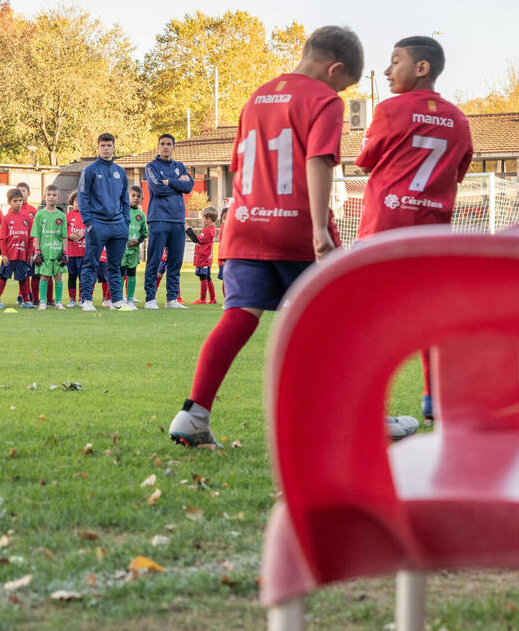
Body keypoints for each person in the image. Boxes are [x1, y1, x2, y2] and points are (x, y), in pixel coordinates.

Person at [167, 26, 417, 447]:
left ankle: (193, 414)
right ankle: (364, 419)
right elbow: (319, 160)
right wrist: (319, 230)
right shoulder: (324, 101)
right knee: (348, 320)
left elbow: (239, 167)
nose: (339, 92)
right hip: (294, 224)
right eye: (342, 84)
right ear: (335, 69)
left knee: (238, 317)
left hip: (245, 223)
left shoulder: (257, 96)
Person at [355, 35, 474, 423]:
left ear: (421, 68)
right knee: (430, 317)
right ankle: (433, 397)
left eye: (395, 62)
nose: (387, 71)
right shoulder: (459, 119)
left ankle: (368, 404)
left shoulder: (390, 109)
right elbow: (456, 174)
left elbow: (365, 160)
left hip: (384, 227)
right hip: (432, 234)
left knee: (368, 318)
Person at [79, 134, 132, 312]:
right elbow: (83, 197)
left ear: (114, 147)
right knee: (91, 263)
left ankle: (116, 301)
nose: (106, 148)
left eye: (109, 145)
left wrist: (126, 222)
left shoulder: (120, 172)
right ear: (98, 148)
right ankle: (86, 300)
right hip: (97, 224)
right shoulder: (90, 170)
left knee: (115, 266)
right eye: (103, 145)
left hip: (118, 226)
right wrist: (88, 223)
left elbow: (125, 200)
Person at [143, 134, 194, 310]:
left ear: (173, 147)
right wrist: (178, 184)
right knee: (154, 260)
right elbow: (157, 188)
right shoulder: (151, 166)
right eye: (163, 144)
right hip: (158, 218)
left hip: (178, 220)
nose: (166, 147)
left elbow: (189, 186)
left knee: (175, 261)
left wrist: (170, 182)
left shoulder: (180, 166)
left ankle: (171, 299)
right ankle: (150, 299)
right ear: (158, 146)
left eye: (169, 144)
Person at [0, 188, 36, 308]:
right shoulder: (6, 218)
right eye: (15, 201)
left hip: (22, 255)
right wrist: (4, 254)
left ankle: (26, 301)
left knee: (23, 278)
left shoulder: (27, 218)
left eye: (20, 200)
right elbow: (2, 238)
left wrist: (30, 254)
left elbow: (30, 238)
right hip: (9, 255)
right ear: (9, 202)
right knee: (3, 276)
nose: (18, 203)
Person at [32, 184, 66, 310]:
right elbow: (36, 234)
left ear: (58, 198)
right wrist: (37, 251)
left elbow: (64, 236)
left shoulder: (61, 216)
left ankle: (59, 302)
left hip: (57, 252)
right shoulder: (40, 214)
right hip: (44, 251)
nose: (51, 197)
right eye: (49, 195)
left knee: (58, 277)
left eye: (54, 195)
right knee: (44, 276)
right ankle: (42, 302)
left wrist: (65, 252)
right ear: (44, 196)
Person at [124, 185, 150, 307]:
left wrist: (138, 241)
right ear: (127, 196)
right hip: (122, 249)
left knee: (131, 273)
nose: (135, 198)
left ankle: (130, 299)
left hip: (134, 250)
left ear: (141, 199)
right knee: (119, 273)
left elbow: (144, 234)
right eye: (133, 195)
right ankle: (119, 297)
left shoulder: (141, 215)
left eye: (138, 196)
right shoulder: (122, 211)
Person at [186, 207, 219, 304]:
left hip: (204, 257)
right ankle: (212, 298)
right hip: (206, 257)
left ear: (208, 219)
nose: (202, 220)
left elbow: (196, 239)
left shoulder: (208, 231)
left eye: (203, 218)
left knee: (203, 277)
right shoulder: (209, 229)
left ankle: (202, 299)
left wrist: (188, 230)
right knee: (207, 277)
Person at [65, 196, 87, 310]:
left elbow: (92, 229)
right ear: (72, 202)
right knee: (72, 276)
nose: (78, 203)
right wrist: (70, 236)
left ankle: (81, 298)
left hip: (83, 251)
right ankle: (72, 299)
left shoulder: (87, 216)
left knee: (82, 276)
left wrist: (84, 233)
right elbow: (61, 233)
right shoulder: (68, 216)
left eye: (81, 201)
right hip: (71, 252)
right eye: (76, 201)